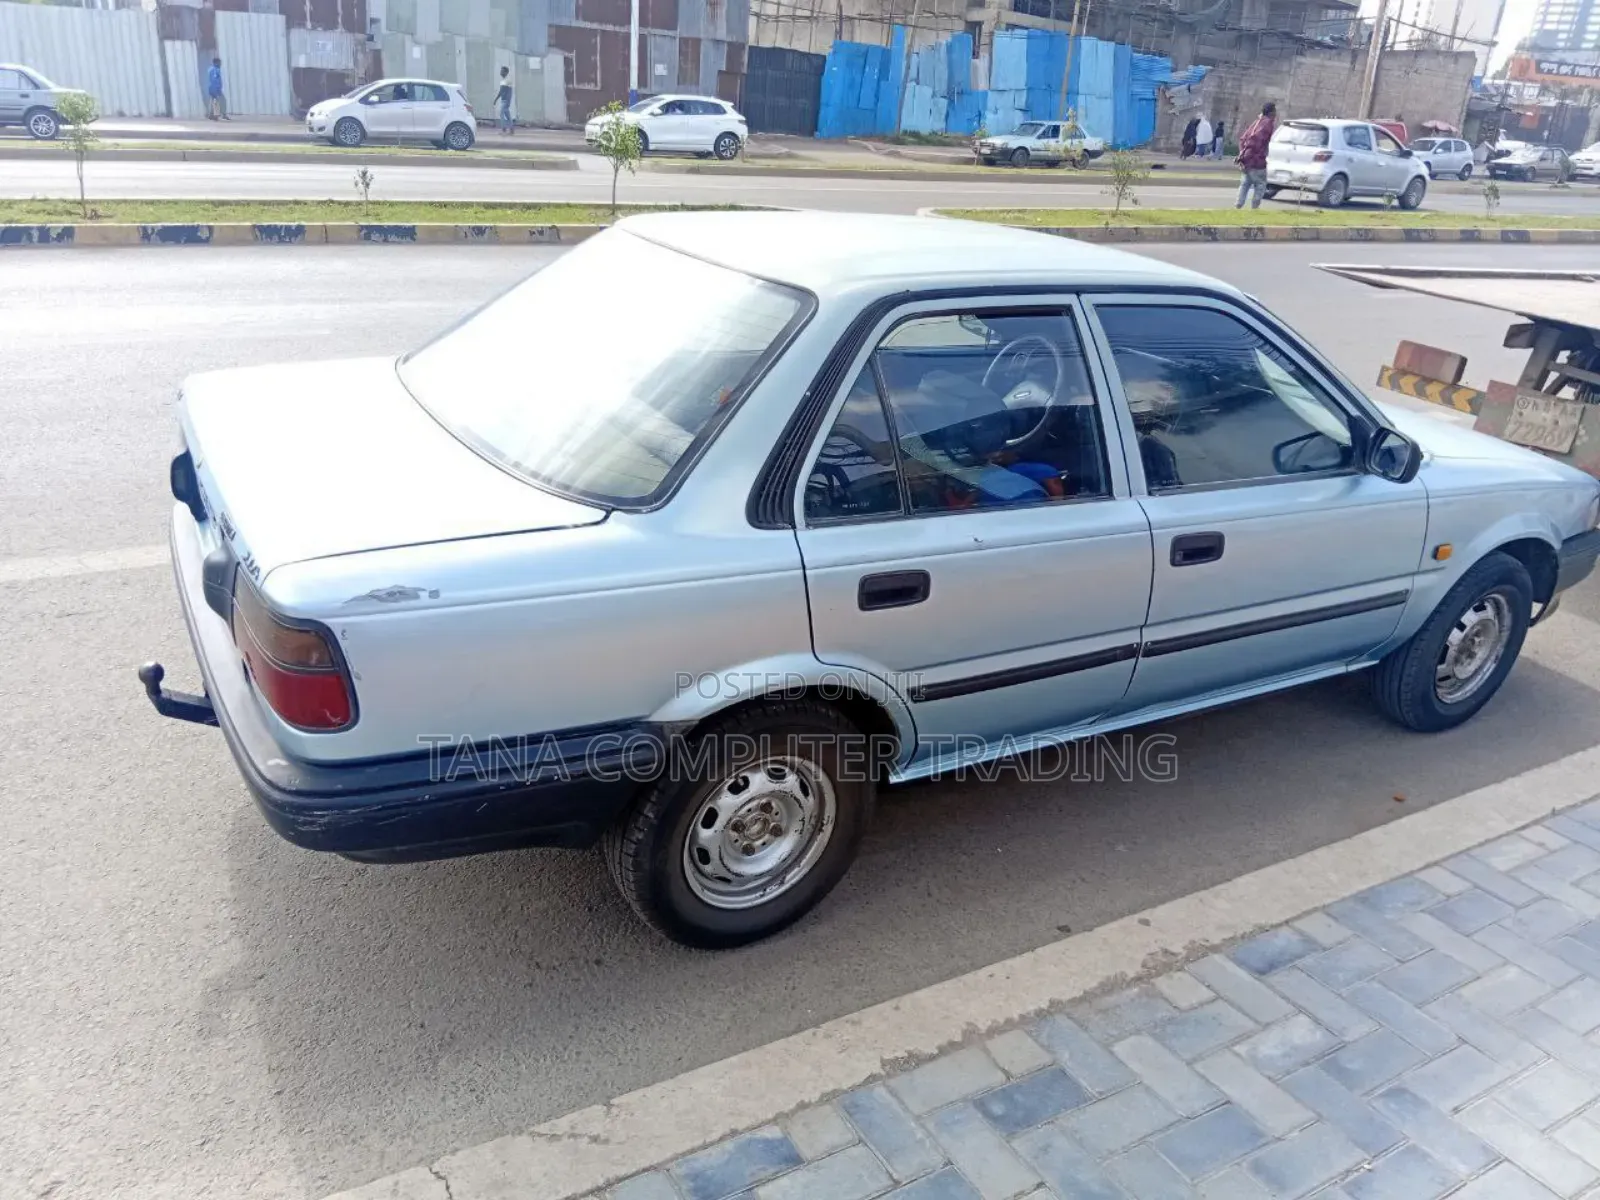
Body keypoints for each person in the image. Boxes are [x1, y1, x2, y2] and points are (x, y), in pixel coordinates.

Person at [1234, 100, 1277, 209]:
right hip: (1257, 160)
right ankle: (1255, 207)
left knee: (1245, 183)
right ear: (1271, 112)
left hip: (1245, 159)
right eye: (1275, 111)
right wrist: (1254, 154)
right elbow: (1256, 140)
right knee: (1260, 184)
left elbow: (1243, 138)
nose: (1276, 114)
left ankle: (1238, 205)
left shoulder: (1257, 122)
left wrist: (1242, 154)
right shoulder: (1267, 123)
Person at [495, 66, 514, 135]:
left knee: (501, 113)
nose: (501, 72)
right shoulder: (503, 81)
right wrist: (496, 99)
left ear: (506, 72)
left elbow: (505, 91)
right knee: (507, 115)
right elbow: (501, 91)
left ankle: (504, 129)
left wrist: (496, 99)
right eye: (501, 71)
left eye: (502, 71)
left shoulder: (507, 80)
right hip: (504, 100)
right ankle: (511, 129)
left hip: (506, 100)